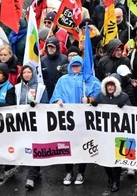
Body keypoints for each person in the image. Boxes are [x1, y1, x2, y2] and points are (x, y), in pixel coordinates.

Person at [50, 56, 100, 186]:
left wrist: (90, 99)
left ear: (83, 66)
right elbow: (56, 94)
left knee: (82, 146)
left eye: (78, 65)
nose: (76, 68)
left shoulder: (89, 79)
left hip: (83, 120)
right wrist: (58, 100)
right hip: (67, 120)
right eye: (74, 66)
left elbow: (100, 93)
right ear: (70, 66)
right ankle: (68, 171)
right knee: (67, 146)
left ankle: (81, 172)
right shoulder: (63, 80)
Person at [93, 75, 130, 192]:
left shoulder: (123, 97)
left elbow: (132, 111)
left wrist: (124, 107)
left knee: (116, 158)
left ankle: (116, 181)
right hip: (104, 132)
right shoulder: (100, 96)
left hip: (118, 132)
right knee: (105, 157)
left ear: (116, 86)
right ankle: (110, 176)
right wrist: (93, 105)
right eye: (108, 85)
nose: (110, 87)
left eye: (112, 85)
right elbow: (92, 109)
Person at [15, 65, 48, 189]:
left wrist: (38, 104)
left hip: (36, 122)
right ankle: (36, 171)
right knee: (26, 148)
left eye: (29, 72)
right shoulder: (18, 88)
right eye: (24, 72)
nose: (27, 75)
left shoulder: (40, 88)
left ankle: (31, 176)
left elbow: (46, 104)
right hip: (21, 122)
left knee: (34, 147)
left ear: (34, 74)